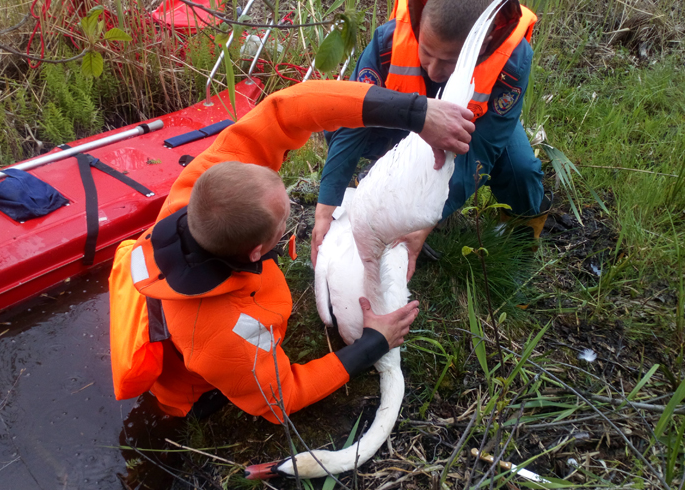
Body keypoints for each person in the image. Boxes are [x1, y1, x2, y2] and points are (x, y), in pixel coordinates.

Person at [108, 81, 476, 423]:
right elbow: (284, 396)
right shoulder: (222, 332)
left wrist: (416, 112)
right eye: (284, 220)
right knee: (209, 398)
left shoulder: (205, 186)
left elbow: (288, 109)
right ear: (256, 252)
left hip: (209, 295)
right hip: (197, 382)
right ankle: (194, 405)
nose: (290, 213)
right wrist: (372, 344)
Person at [312, 0, 547, 279]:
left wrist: (426, 219)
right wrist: (327, 204)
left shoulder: (513, 60)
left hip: (474, 126)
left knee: (520, 169)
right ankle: (381, 184)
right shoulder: (389, 39)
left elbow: (482, 148)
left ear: (483, 44)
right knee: (338, 130)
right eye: (426, 52)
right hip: (403, 121)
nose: (434, 71)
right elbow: (352, 117)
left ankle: (519, 236)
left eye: (450, 61)